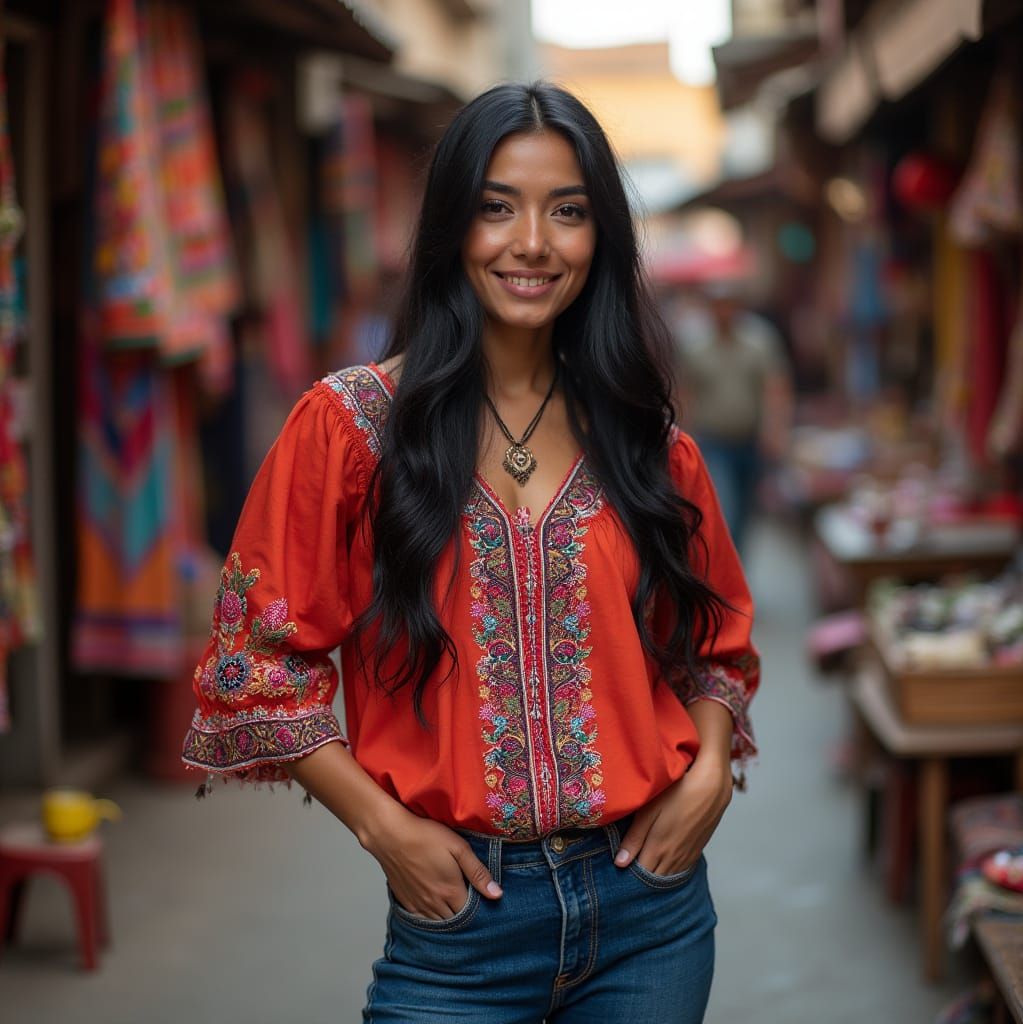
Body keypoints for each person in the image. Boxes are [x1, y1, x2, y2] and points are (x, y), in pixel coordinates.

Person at [182, 82, 759, 1023]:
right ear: (452, 225)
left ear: (601, 237)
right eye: (497, 207)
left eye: (567, 211)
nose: (532, 242)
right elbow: (254, 666)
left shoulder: (645, 443)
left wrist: (707, 779)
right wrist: (383, 827)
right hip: (458, 930)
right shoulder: (352, 431)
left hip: (651, 916)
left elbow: (712, 646)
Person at [672, 283, 792, 556]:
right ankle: (722, 563)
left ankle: (735, 563)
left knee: (746, 511)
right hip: (714, 441)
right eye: (718, 305)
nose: (724, 311)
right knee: (726, 507)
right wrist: (684, 438)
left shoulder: (760, 340)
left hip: (750, 440)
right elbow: (685, 393)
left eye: (729, 304)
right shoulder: (694, 345)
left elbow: (775, 389)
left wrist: (775, 431)